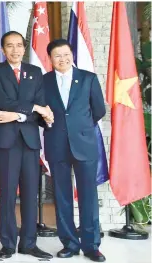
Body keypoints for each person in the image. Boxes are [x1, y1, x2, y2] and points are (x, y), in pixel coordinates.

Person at [0, 31, 54, 259]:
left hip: (29, 140)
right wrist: (34, 108)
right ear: (3, 49)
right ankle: (7, 243)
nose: (15, 50)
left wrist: (20, 115)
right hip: (6, 141)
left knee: (30, 194)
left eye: (18, 45)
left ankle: (29, 244)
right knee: (7, 194)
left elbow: (42, 104)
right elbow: (3, 102)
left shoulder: (35, 72)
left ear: (24, 48)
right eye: (9, 46)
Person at [42, 39, 106, 262]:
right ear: (50, 58)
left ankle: (91, 245)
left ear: (72, 55)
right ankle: (69, 243)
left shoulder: (88, 78)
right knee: (62, 196)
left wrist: (79, 127)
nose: (63, 59)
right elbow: (41, 115)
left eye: (66, 54)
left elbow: (98, 110)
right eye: (57, 55)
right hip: (56, 144)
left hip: (84, 144)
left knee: (88, 196)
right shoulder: (44, 81)